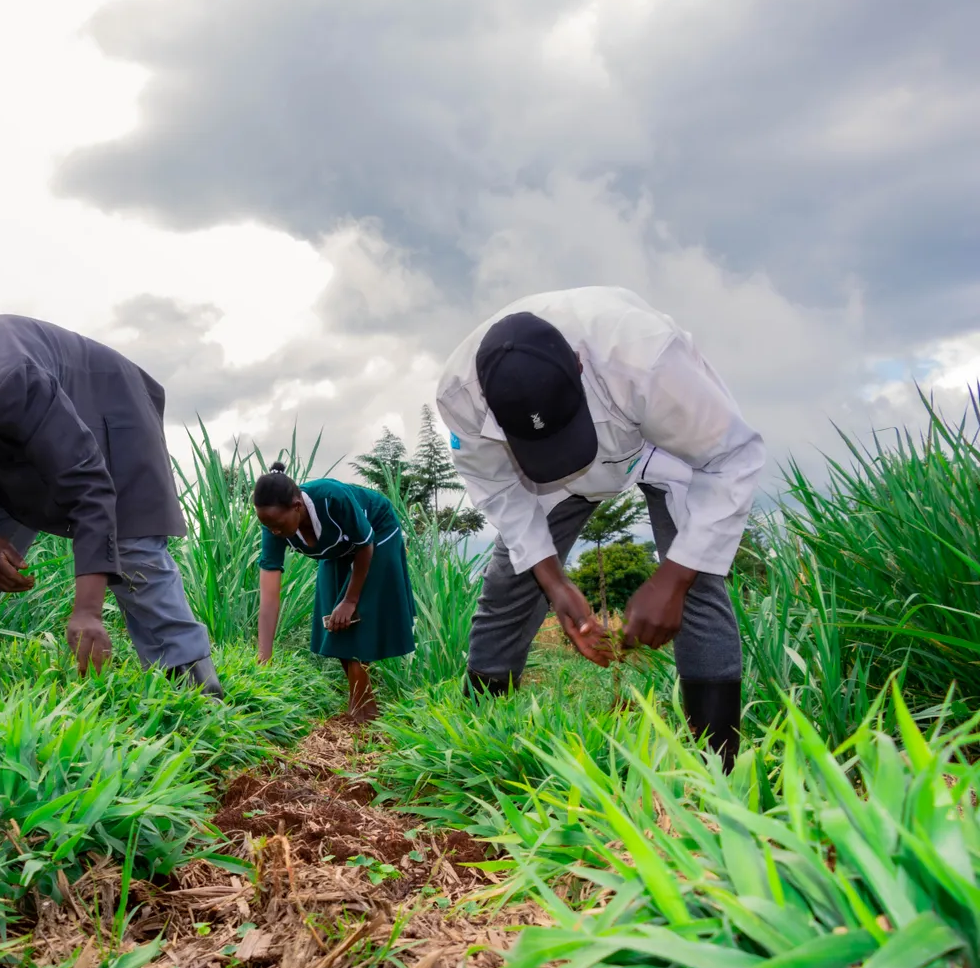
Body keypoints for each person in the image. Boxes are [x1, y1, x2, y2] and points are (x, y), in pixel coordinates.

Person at [435, 286, 764, 768]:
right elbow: (501, 492)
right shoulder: (460, 397)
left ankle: (719, 769)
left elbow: (733, 457)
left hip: (662, 445)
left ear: (579, 364)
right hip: (549, 476)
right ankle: (482, 744)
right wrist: (557, 585)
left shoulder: (646, 359)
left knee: (697, 582)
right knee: (511, 580)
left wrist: (674, 578)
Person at [0, 316, 223, 697]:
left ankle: (192, 683)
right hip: (5, 432)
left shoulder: (6, 377)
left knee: (132, 546)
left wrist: (87, 611)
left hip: (105, 408)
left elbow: (89, 489)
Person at [253, 464, 416, 722]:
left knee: (354, 616)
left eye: (277, 525)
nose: (274, 531)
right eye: (267, 525)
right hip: (338, 548)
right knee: (334, 619)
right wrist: (264, 657)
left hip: (376, 533)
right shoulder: (274, 525)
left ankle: (364, 710)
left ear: (297, 506)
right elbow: (269, 597)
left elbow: (364, 545)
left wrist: (350, 600)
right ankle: (360, 704)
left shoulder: (332, 499)